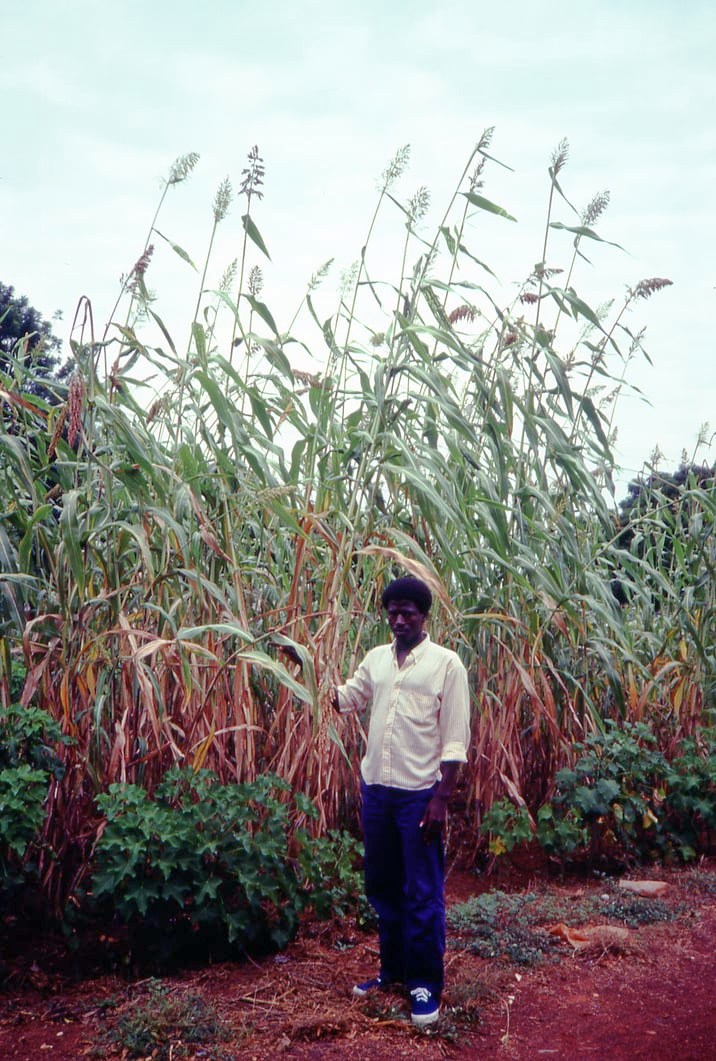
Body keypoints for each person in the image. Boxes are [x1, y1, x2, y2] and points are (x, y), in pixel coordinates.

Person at [334, 576, 470, 1026]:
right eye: (392, 611)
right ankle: (392, 973)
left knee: (422, 893)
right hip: (377, 791)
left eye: (407, 611)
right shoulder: (376, 660)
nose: (398, 619)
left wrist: (441, 799)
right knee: (383, 886)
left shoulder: (446, 665)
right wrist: (305, 672)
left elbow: (454, 739)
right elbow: (347, 700)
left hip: (418, 798)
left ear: (423, 615)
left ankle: (425, 984)